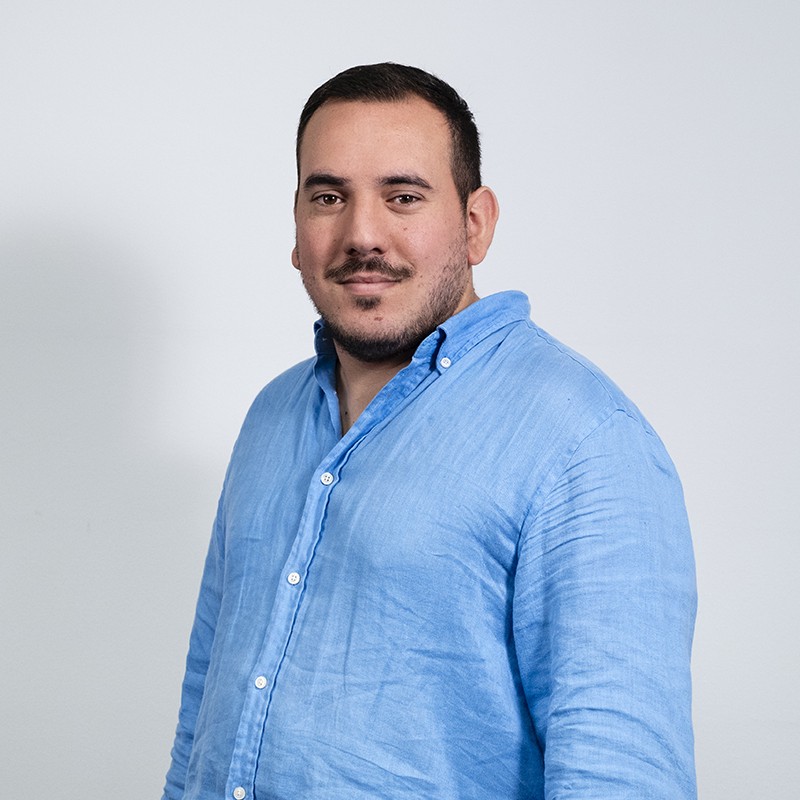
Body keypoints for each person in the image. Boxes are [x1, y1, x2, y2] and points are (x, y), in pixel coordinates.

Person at [163, 63, 697, 800]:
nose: (362, 234)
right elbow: (203, 711)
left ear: (475, 224)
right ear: (296, 226)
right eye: (328, 197)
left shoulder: (584, 441)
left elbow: (620, 776)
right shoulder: (270, 418)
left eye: (403, 196)